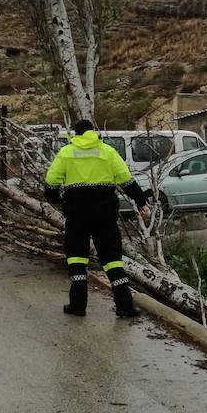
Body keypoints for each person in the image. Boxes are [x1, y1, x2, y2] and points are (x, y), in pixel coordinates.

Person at [43, 120, 149, 318]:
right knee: (112, 260)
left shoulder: (66, 152)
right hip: (105, 216)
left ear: (76, 133)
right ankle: (125, 306)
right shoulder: (107, 151)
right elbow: (127, 180)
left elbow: (51, 182)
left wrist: (57, 200)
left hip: (76, 215)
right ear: (93, 132)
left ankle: (78, 305)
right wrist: (141, 201)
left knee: (76, 258)